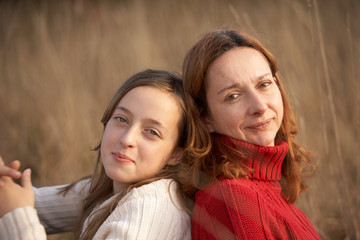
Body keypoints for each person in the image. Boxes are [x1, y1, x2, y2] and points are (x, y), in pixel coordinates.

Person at [0, 69, 202, 240]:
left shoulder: (148, 208)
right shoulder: (108, 188)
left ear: (176, 154)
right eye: (122, 119)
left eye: (152, 132)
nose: (127, 139)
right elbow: (26, 203)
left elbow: (18, 210)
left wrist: (17, 216)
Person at [182, 29, 321, 239]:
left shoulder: (270, 186)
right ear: (204, 118)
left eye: (264, 84)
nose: (259, 106)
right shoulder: (232, 200)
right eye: (233, 96)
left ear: (277, 85)